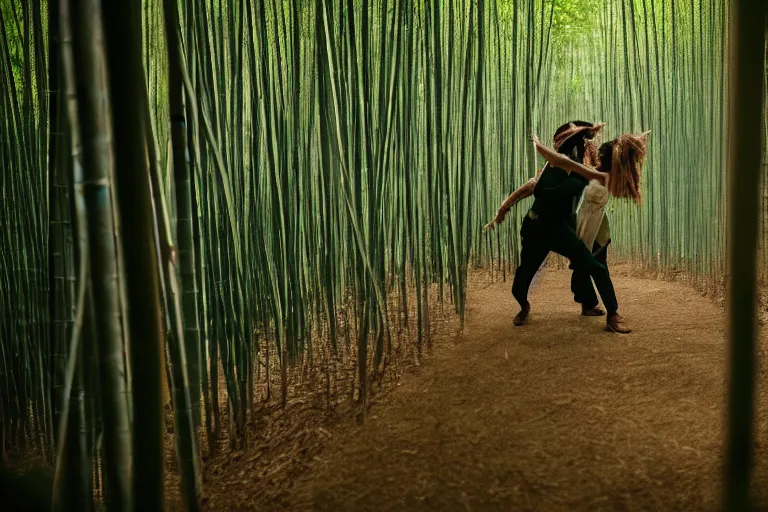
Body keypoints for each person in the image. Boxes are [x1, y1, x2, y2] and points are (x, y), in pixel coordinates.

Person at [498, 121, 631, 333]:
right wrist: (503, 208)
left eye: (582, 143)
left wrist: (542, 145)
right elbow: (531, 187)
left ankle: (613, 314)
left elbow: (574, 163)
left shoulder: (583, 171)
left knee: (594, 266)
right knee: (522, 280)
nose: (583, 146)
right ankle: (524, 306)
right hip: (536, 227)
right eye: (580, 142)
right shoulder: (552, 169)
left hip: (561, 228)